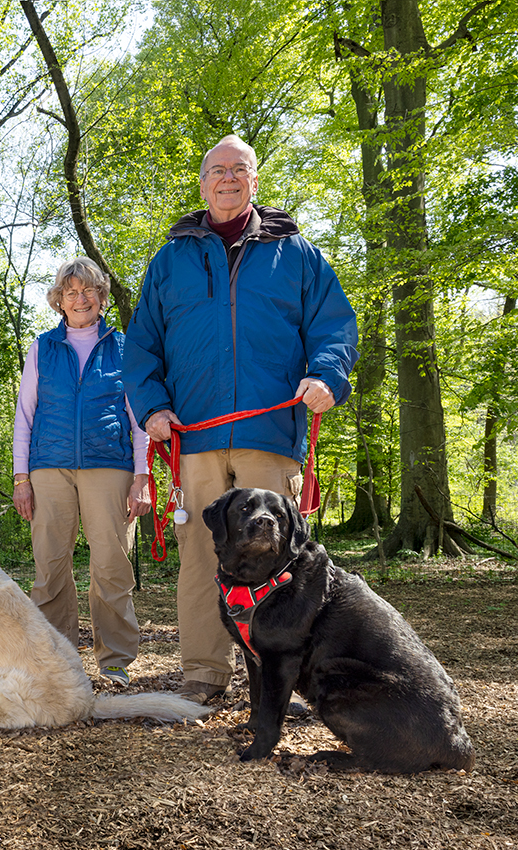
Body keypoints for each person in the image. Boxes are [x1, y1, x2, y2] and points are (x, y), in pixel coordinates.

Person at [124, 134, 359, 704]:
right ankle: (203, 674)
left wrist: (327, 375)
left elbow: (334, 325)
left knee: (278, 559)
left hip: (269, 433)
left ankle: (283, 675)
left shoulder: (296, 253)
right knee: (201, 555)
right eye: (216, 170)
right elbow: (142, 346)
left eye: (239, 170)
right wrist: (152, 405)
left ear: (254, 181)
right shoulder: (170, 258)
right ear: (202, 183)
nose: (227, 178)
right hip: (195, 435)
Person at [12, 257, 152, 688]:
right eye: (71, 292)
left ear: (102, 296)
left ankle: (115, 661)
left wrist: (142, 477)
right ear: (59, 301)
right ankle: (56, 658)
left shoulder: (124, 347)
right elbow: (24, 416)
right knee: (50, 566)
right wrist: (21, 478)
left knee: (111, 565)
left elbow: (140, 419)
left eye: (88, 290)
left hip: (110, 466)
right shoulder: (42, 348)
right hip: (48, 468)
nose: (80, 298)